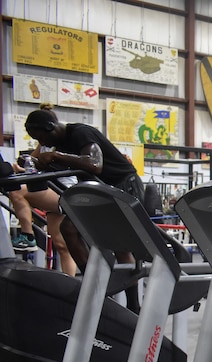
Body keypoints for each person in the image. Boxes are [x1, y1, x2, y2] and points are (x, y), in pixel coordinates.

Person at [24, 108, 147, 311]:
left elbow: (95, 164)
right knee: (69, 228)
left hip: (124, 186)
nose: (43, 144)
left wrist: (56, 156)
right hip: (101, 191)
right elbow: (68, 167)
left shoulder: (80, 133)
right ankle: (95, 284)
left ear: (50, 128)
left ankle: (133, 304)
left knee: (119, 244)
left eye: (42, 138)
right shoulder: (60, 143)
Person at [7, 105, 77, 275]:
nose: (39, 139)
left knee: (18, 191)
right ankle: (70, 282)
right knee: (61, 244)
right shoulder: (43, 142)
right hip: (50, 188)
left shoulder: (63, 141)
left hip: (64, 190)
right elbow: (34, 161)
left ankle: (28, 235)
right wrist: (22, 166)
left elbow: (52, 165)